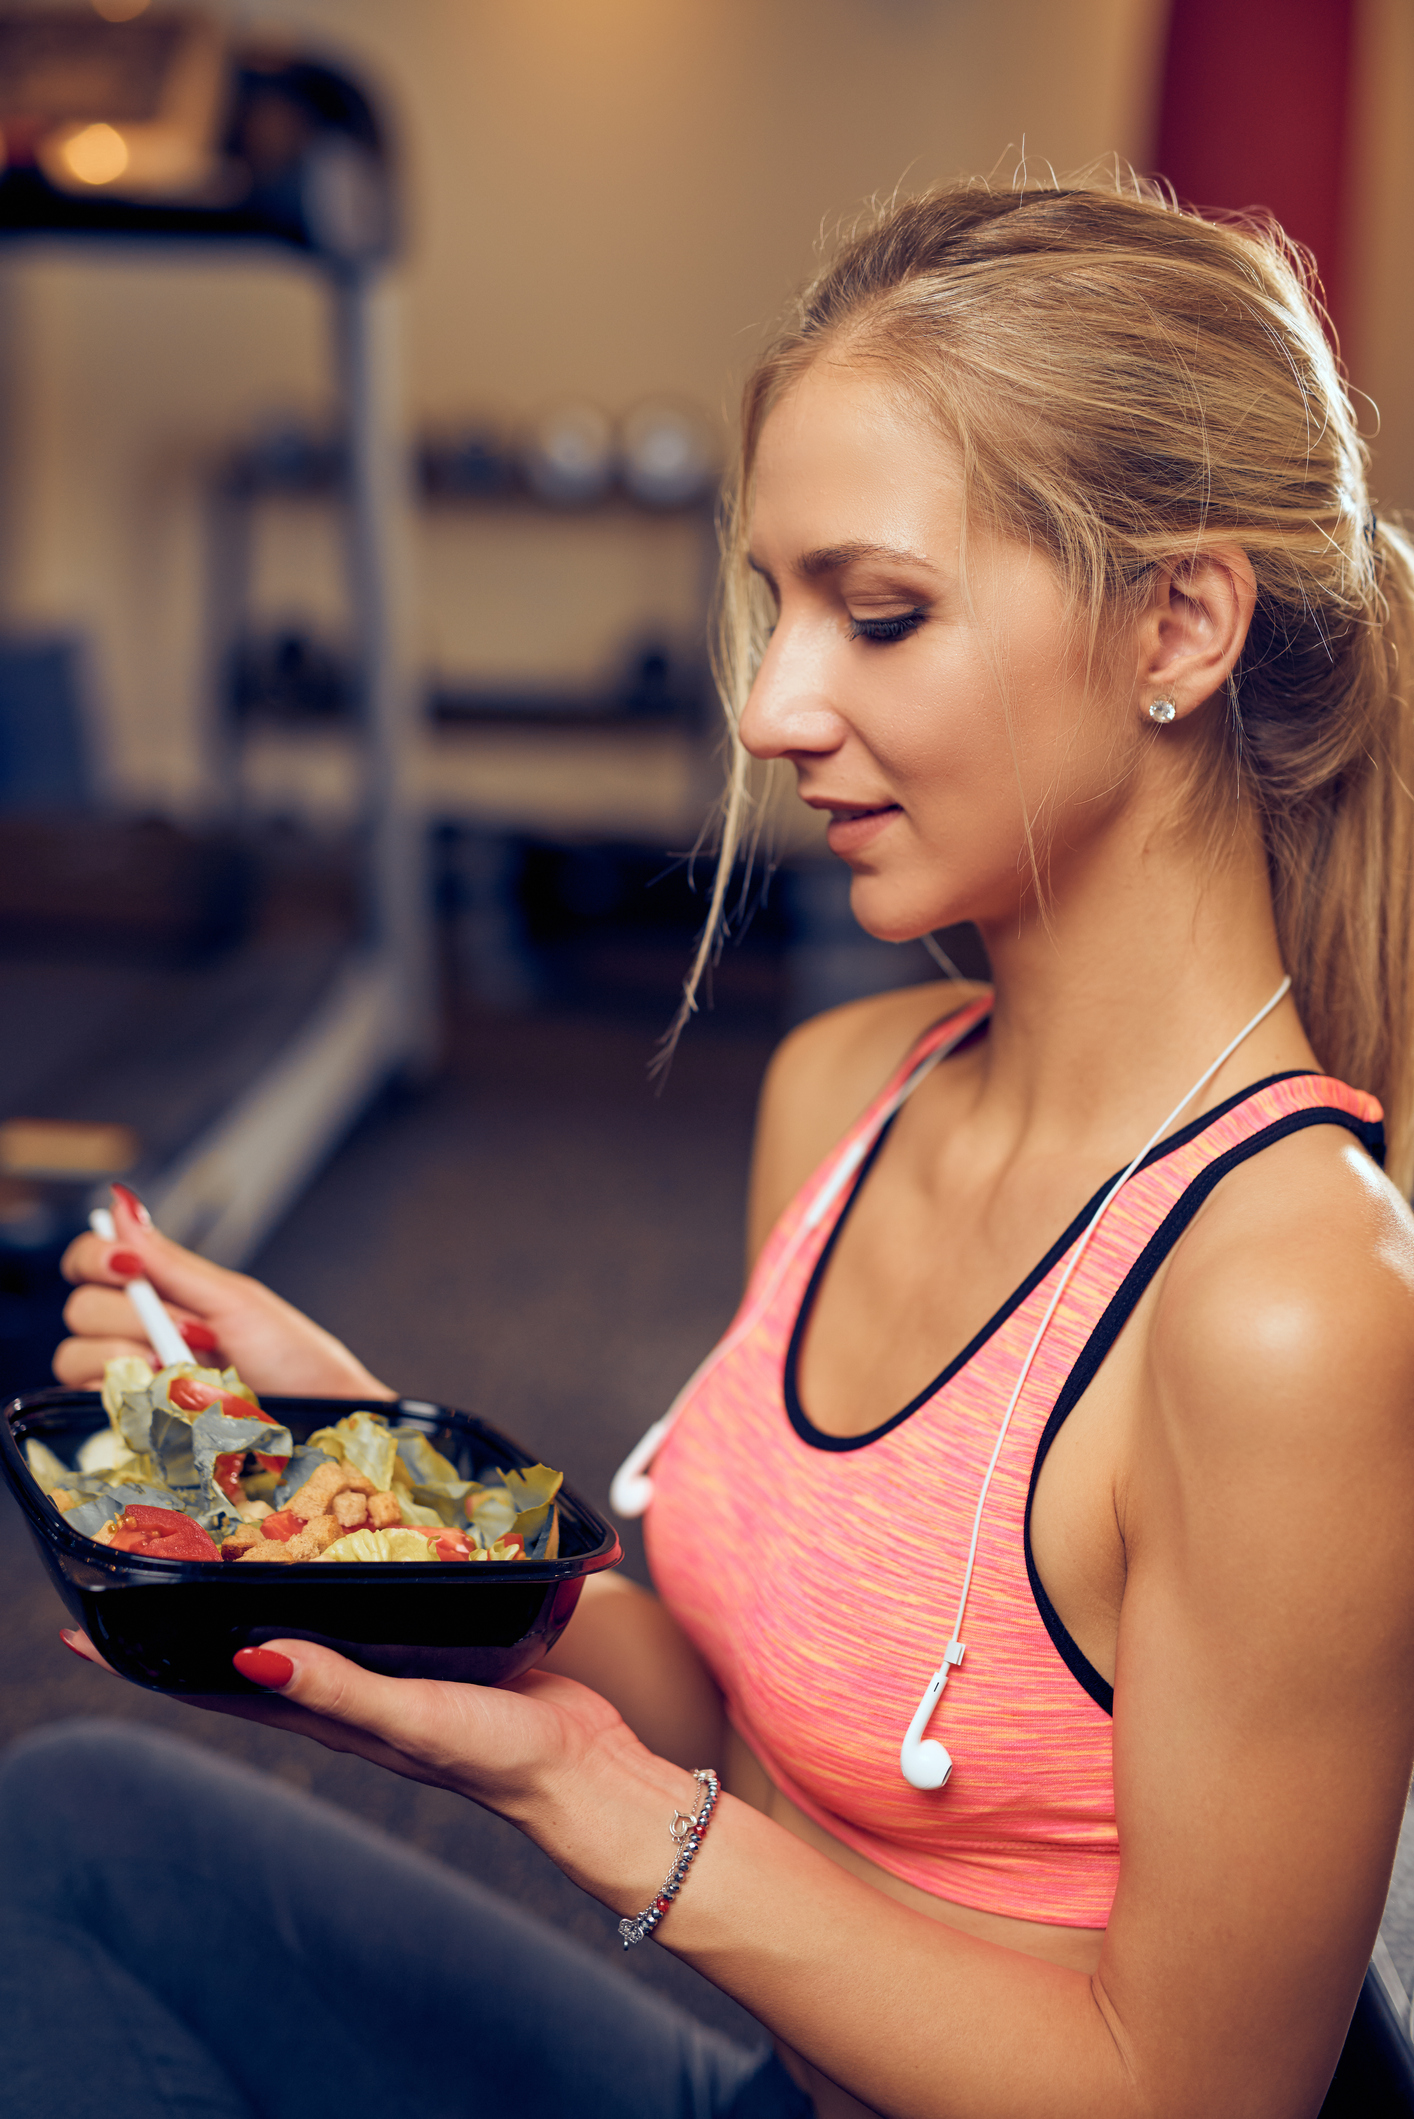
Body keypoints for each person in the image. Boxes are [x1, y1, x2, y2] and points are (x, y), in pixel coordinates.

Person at [11, 173, 1414, 2119]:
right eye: (776, 608)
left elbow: (1193, 2096)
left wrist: (610, 1815)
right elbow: (770, 1722)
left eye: (880, 612)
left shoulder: (1288, 1303)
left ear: (1174, 618)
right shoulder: (843, 1093)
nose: (769, 708)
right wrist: (383, 1490)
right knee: (77, 1832)